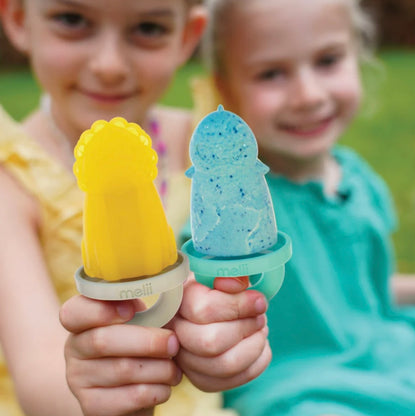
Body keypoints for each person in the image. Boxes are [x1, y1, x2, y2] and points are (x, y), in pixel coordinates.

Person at [0, 0, 270, 415]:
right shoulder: (11, 183)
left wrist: (225, 335)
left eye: (147, 28)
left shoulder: (201, 145)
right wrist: (92, 394)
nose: (110, 64)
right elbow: (38, 375)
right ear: (18, 20)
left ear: (187, 37)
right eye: (72, 20)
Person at [185, 0, 415, 415]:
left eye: (328, 60)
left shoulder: (359, 180)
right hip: (299, 388)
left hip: (387, 356)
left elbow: (363, 293)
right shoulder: (235, 215)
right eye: (271, 74)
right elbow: (197, 292)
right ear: (225, 89)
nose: (308, 95)